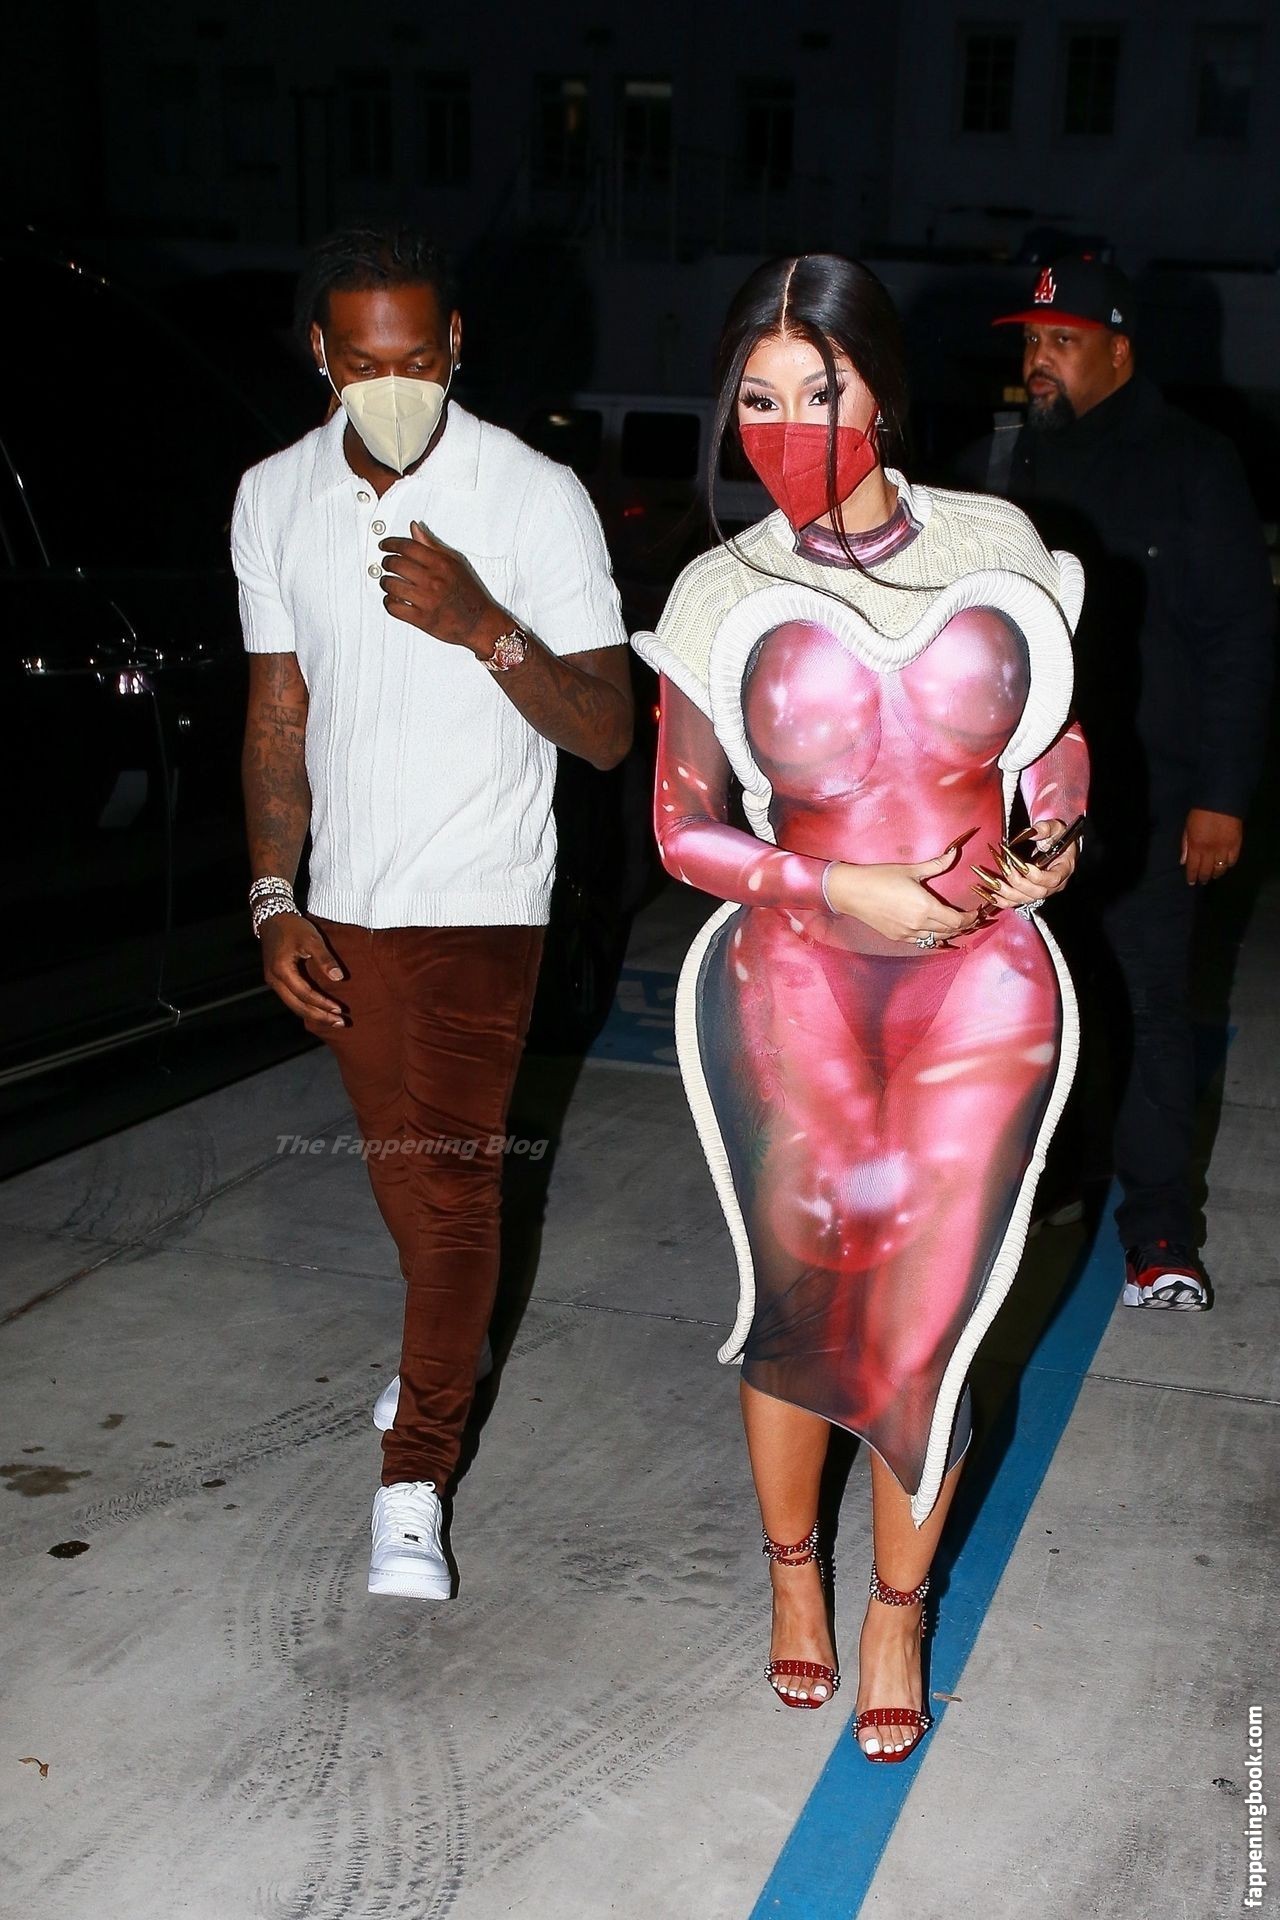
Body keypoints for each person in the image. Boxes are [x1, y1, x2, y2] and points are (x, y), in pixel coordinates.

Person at [634, 253, 1089, 1760]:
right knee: (801, 1299)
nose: (785, 427)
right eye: (756, 400)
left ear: (880, 388)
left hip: (982, 984)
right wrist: (835, 888)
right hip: (793, 983)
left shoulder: (991, 543)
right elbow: (681, 828)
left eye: (816, 391)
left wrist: (1054, 835)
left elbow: (1051, 738)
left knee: (931, 1318)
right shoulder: (720, 587)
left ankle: (897, 1604)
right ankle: (791, 1576)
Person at [234, 227, 632, 1600]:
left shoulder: (534, 496)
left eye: (416, 358)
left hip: (481, 901)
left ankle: (414, 1474)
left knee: (454, 1187)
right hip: (346, 901)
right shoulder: (273, 496)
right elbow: (277, 713)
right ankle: (444, 1351)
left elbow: (605, 732)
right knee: (406, 1176)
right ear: (321, 356)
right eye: (363, 363)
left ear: (456, 346)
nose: (392, 385)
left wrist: (482, 624)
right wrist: (274, 896)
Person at [983, 255, 1276, 1309]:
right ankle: (1041, 1190)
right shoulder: (1008, 461)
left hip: (1150, 797)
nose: (1039, 360)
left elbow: (1239, 637)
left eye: (1060, 341)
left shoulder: (1193, 462)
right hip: (1024, 802)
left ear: (1118, 351)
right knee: (1022, 1007)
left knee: (1149, 1008)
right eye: (1030, 341)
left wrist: (1223, 796)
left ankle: (1158, 1236)